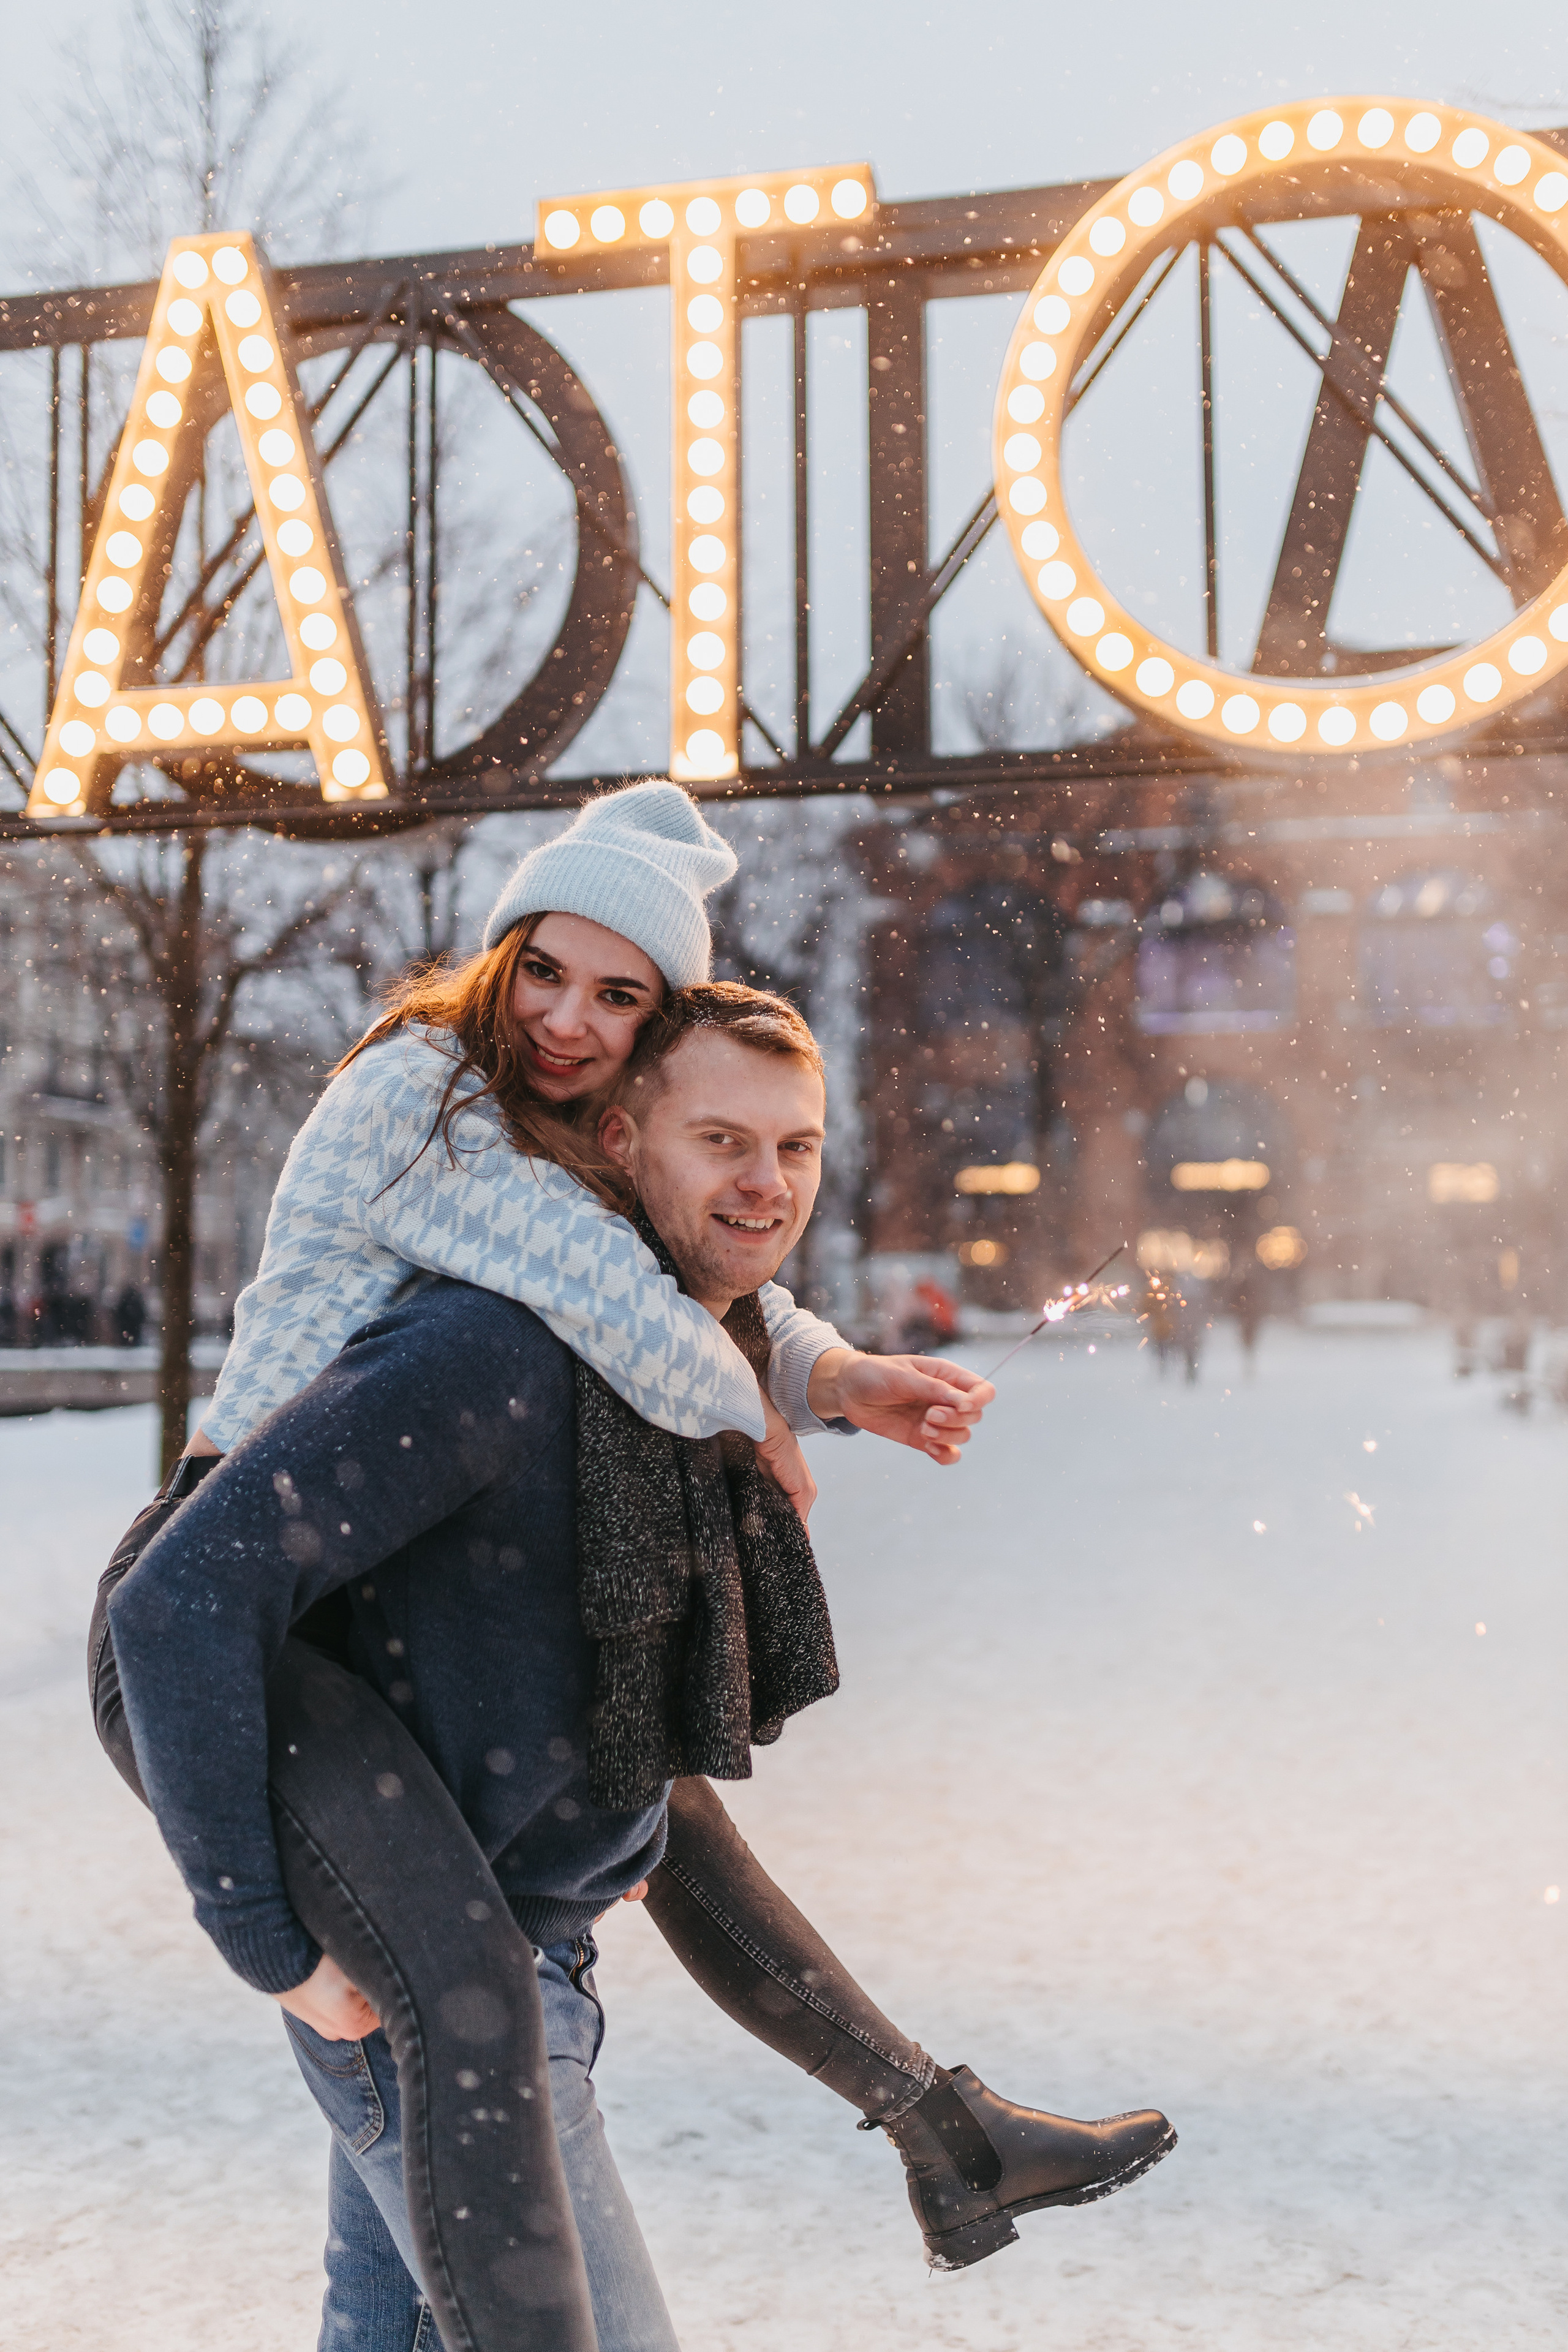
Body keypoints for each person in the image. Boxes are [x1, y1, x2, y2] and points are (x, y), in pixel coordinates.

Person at [107, 987, 1175, 2350]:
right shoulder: (489, 1347)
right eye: (721, 1140)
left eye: (795, 1147)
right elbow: (178, 1597)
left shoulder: (659, 1364)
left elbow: (634, 1761)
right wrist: (268, 1942)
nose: (765, 1181)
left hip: (525, 1967)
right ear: (619, 1142)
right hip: (448, 1995)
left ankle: (945, 2130)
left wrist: (825, 1378)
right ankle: (945, 2129)